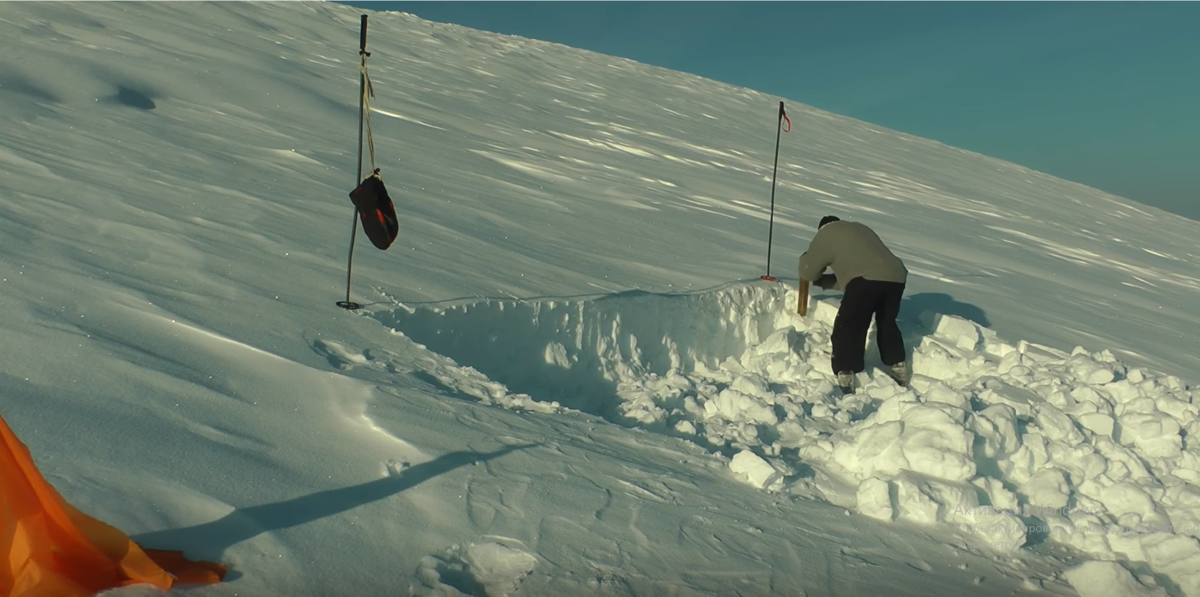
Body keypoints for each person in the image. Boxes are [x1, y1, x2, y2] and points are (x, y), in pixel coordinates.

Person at [799, 216, 909, 394]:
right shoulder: (858, 228)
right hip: (896, 276)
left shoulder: (826, 233)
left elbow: (809, 271)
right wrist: (826, 282)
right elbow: (855, 278)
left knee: (848, 325)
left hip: (867, 280)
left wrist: (804, 261)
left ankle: (846, 372)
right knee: (886, 322)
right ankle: (898, 366)